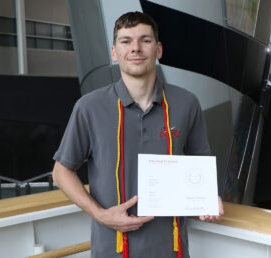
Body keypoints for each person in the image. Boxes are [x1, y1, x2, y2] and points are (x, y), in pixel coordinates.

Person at [52, 11, 224, 258]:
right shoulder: (89, 107)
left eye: (145, 40)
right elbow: (61, 172)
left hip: (172, 251)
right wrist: (101, 215)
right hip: (112, 251)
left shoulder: (187, 103)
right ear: (114, 52)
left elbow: (199, 167)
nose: (135, 48)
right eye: (126, 41)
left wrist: (207, 201)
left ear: (159, 49)